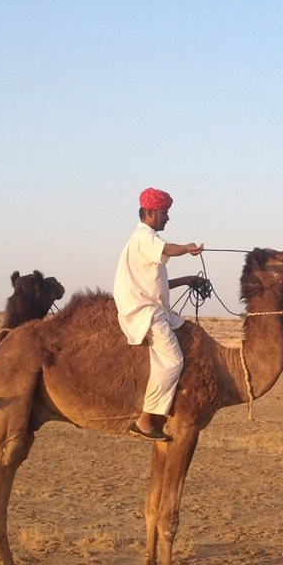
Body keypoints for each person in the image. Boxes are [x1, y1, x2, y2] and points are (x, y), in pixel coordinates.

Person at [114, 187, 205, 441]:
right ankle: (144, 420)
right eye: (164, 213)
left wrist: (186, 280)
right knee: (173, 360)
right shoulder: (144, 236)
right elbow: (168, 248)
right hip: (146, 312)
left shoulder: (144, 241)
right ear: (151, 213)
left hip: (153, 308)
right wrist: (187, 249)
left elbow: (156, 282)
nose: (167, 218)